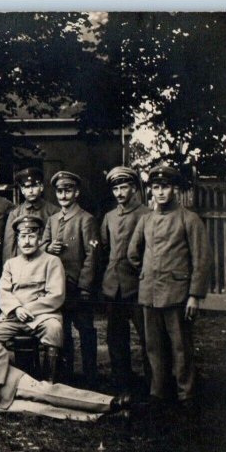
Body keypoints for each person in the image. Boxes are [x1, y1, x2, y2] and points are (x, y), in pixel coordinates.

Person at [0, 304, 131, 421]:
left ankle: (111, 403)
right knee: (42, 410)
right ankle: (103, 418)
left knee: (48, 393)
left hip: (7, 380)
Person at [127, 164, 212, 410]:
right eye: (156, 187)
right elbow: (133, 253)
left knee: (180, 346)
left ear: (174, 188)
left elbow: (201, 259)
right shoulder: (146, 220)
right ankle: (158, 392)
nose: (161, 192)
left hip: (177, 294)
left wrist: (194, 295)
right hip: (149, 292)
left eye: (165, 187)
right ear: (151, 191)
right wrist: (145, 273)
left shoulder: (189, 219)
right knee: (153, 346)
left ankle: (186, 394)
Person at [0, 216, 65, 381]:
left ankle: (48, 382)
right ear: (17, 240)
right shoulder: (11, 264)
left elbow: (56, 295)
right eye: (23, 237)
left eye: (31, 237)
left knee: (54, 329)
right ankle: (1, 380)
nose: (27, 242)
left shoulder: (52, 261)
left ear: (39, 239)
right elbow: (3, 291)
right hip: (13, 317)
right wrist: (17, 309)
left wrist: (28, 309)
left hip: (41, 316)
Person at [43, 171, 101, 386]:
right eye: (59, 191)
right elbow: (42, 247)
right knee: (62, 331)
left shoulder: (85, 219)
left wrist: (85, 286)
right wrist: (48, 247)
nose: (63, 195)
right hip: (58, 287)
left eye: (68, 191)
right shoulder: (53, 219)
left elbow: (91, 256)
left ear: (76, 193)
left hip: (78, 287)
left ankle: (90, 376)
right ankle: (66, 376)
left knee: (85, 330)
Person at [100, 166, 151, 392]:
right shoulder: (109, 217)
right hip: (114, 287)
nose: (120, 193)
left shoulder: (146, 214)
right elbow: (103, 248)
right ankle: (122, 381)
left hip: (138, 285)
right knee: (116, 337)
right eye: (116, 189)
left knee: (148, 337)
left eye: (124, 187)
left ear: (133, 188)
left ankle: (154, 382)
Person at [2, 167, 60, 263]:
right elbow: (9, 247)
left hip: (45, 262)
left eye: (34, 186)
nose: (31, 190)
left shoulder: (54, 211)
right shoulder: (15, 214)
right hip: (22, 265)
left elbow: (55, 243)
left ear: (41, 187)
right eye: (26, 187)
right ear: (22, 190)